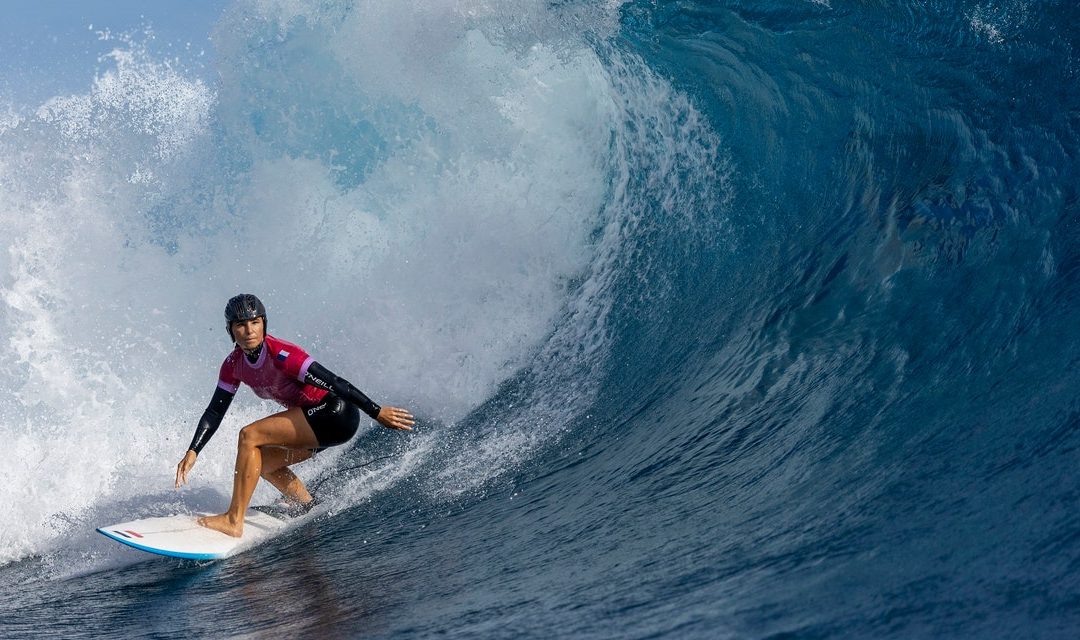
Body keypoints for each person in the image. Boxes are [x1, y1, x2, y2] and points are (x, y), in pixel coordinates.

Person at [174, 293, 414, 537]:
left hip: (334, 414)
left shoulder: (282, 355)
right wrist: (193, 450)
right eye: (241, 324)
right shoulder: (233, 365)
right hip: (315, 422)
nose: (249, 330)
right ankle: (306, 505)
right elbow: (215, 410)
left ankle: (233, 521)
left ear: (264, 323)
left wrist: (375, 411)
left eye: (255, 322)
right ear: (230, 330)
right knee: (260, 464)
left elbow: (335, 382)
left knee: (249, 435)